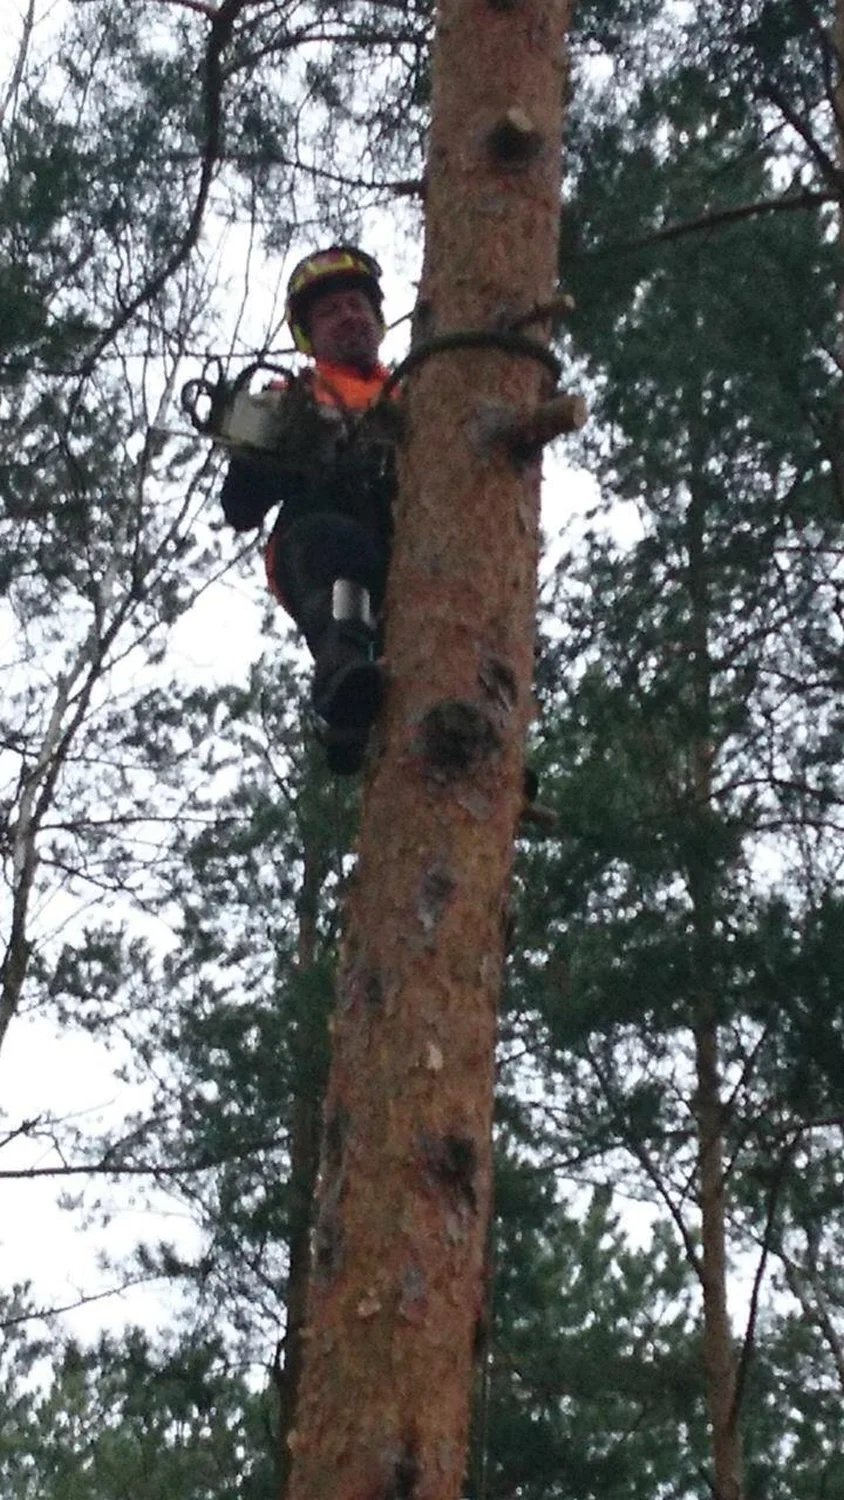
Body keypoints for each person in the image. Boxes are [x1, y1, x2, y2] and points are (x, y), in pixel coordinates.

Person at [220, 246, 398, 774]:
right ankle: (342, 671)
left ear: (377, 317)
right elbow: (241, 506)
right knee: (340, 548)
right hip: (324, 543)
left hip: (412, 553)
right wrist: (277, 448)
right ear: (308, 336)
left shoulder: (419, 392)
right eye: (329, 311)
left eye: (355, 304)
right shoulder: (294, 394)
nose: (348, 315)